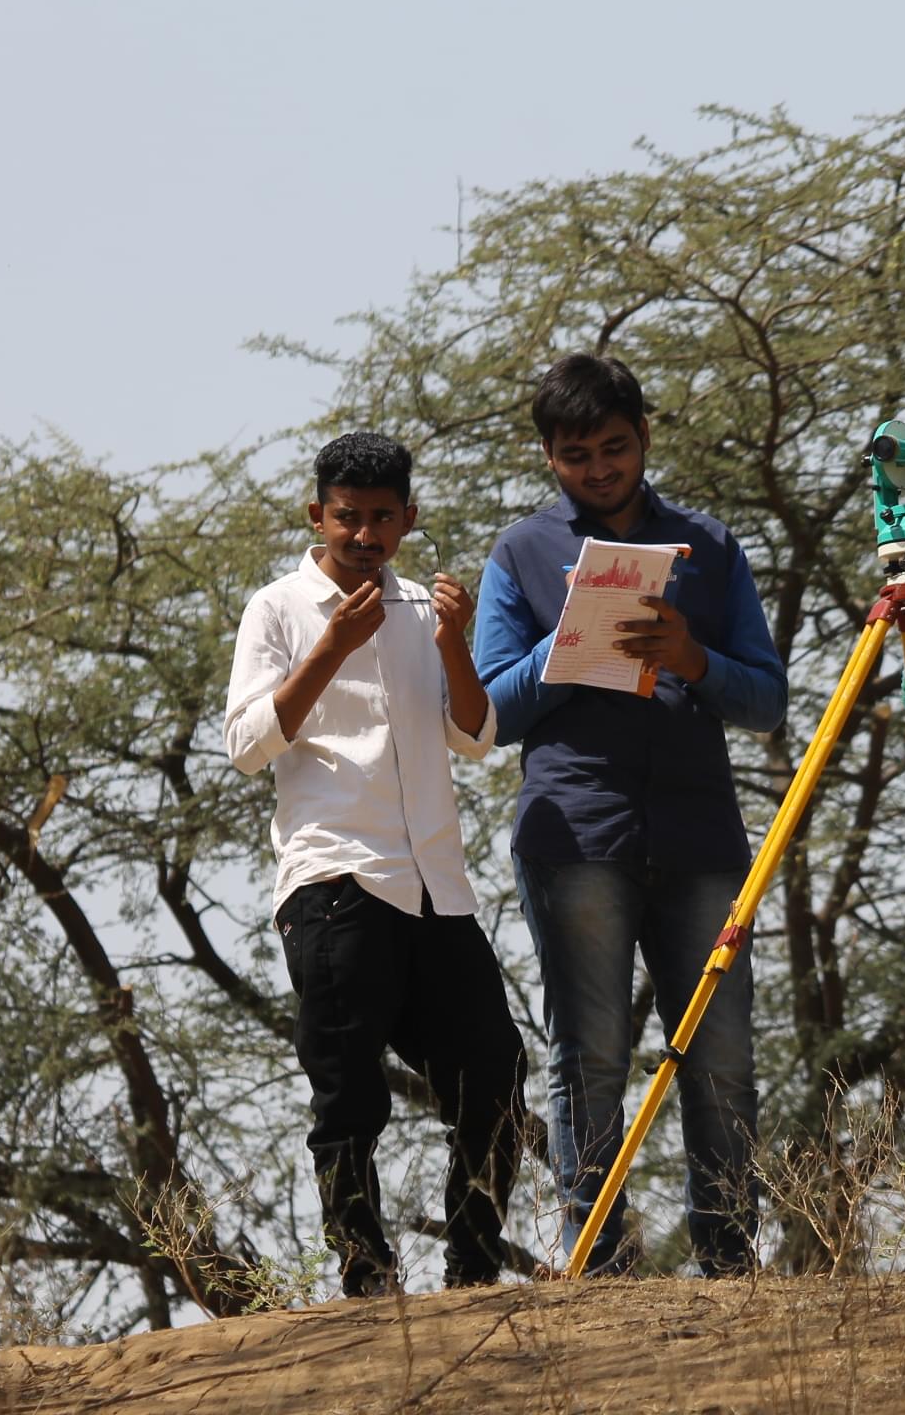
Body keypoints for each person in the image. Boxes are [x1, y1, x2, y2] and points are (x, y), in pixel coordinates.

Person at [475, 353, 785, 1275]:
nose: (600, 468)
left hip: (699, 836)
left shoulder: (710, 545)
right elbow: (490, 712)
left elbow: (766, 702)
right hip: (576, 834)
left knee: (723, 1053)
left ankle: (729, 1257)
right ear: (548, 457)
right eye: (577, 455)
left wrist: (692, 658)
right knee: (591, 1055)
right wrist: (567, 643)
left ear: (646, 436)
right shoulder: (520, 553)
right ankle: (596, 1260)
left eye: (615, 447)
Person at [224, 431, 525, 1295]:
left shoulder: (425, 615)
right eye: (346, 518)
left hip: (436, 886)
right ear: (316, 515)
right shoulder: (278, 608)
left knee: (495, 1073)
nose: (362, 535)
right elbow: (246, 745)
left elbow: (476, 737)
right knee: (349, 1090)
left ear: (408, 520)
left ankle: (473, 1263)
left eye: (380, 519)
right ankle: (366, 1272)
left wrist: (457, 641)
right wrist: (329, 647)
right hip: (335, 880)